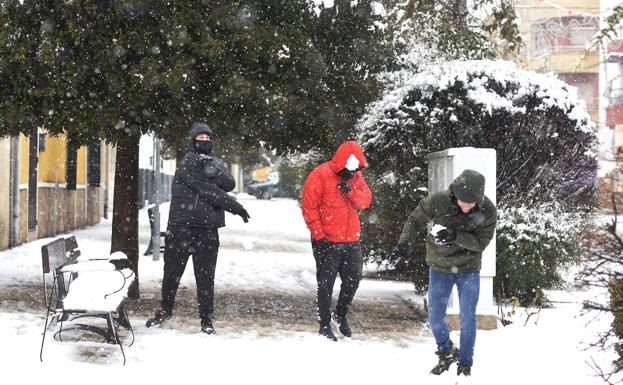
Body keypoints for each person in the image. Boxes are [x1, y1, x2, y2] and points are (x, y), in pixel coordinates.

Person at [146, 122, 251, 334]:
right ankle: (165, 310)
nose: (204, 142)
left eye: (207, 139)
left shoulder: (211, 163)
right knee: (172, 273)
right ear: (192, 142)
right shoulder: (187, 163)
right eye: (200, 139)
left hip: (207, 230)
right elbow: (209, 192)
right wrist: (235, 207)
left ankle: (206, 319)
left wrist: (214, 172)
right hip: (181, 227)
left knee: (206, 276)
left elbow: (230, 184)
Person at [390, 169, 496, 376]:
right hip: (440, 266)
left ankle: (465, 365)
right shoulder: (438, 201)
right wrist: (404, 244)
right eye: (462, 201)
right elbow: (414, 220)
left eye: (471, 203)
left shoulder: (488, 211)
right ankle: (447, 351)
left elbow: (481, 243)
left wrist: (455, 235)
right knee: (436, 317)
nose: (466, 207)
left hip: (469, 268)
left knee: (467, 318)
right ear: (454, 194)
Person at [301, 141, 372, 341]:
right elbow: (309, 206)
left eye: (356, 168)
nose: (353, 171)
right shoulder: (320, 174)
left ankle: (340, 315)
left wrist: (350, 190)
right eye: (350, 167)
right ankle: (324, 325)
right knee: (325, 284)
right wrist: (319, 235)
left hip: (351, 240)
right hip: (327, 240)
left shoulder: (356, 178)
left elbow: (365, 201)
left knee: (354, 279)